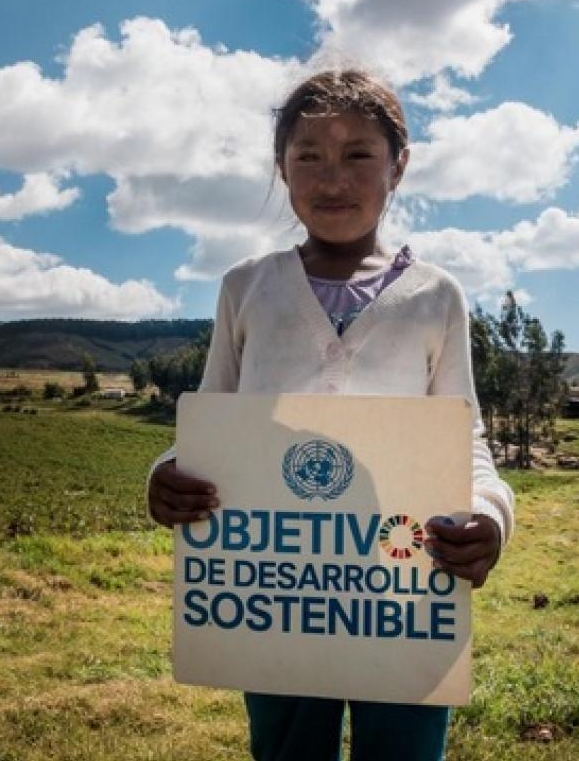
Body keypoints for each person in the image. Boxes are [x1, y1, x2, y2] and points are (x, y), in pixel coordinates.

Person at [146, 68, 515, 761]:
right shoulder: (247, 289)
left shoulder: (437, 297)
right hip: (278, 592)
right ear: (281, 170)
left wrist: (491, 516)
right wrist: (167, 473)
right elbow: (212, 427)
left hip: (403, 586)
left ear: (399, 166)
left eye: (358, 154)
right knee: (287, 748)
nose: (331, 178)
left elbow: (463, 442)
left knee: (403, 749)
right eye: (308, 155)